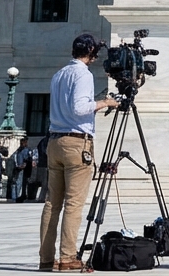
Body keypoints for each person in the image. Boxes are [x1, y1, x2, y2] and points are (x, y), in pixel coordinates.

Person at [40, 33, 120, 272]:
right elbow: (79, 109)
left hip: (54, 141)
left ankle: (46, 258)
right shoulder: (82, 74)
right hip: (76, 143)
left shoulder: (59, 73)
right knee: (74, 204)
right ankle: (67, 257)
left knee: (51, 204)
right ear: (92, 53)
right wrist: (106, 103)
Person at [12, 137, 35, 202]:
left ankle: (20, 196)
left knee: (21, 183)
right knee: (19, 183)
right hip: (21, 168)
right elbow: (27, 158)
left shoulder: (21, 150)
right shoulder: (22, 150)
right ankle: (18, 196)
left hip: (23, 168)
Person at [33, 135, 49, 203]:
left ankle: (42, 197)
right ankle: (43, 197)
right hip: (45, 164)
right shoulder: (46, 141)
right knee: (46, 183)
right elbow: (46, 152)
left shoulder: (42, 141)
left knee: (44, 183)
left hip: (42, 164)